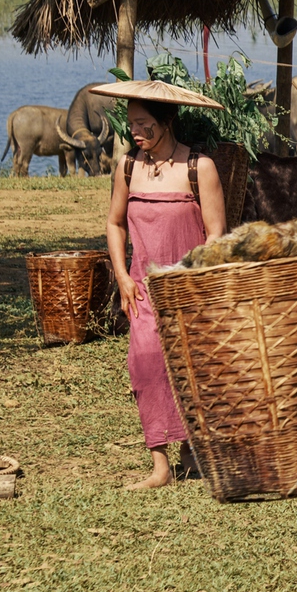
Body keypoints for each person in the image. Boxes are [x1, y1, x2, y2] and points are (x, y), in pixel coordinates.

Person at [102, 82, 229, 490]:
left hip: (188, 286)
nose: (136, 132)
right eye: (132, 124)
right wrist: (122, 275)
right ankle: (160, 466)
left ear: (167, 122)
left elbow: (216, 234)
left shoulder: (198, 167)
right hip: (142, 286)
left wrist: (190, 275)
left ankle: (192, 453)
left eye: (145, 125)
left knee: (191, 368)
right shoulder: (127, 166)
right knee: (144, 364)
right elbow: (115, 222)